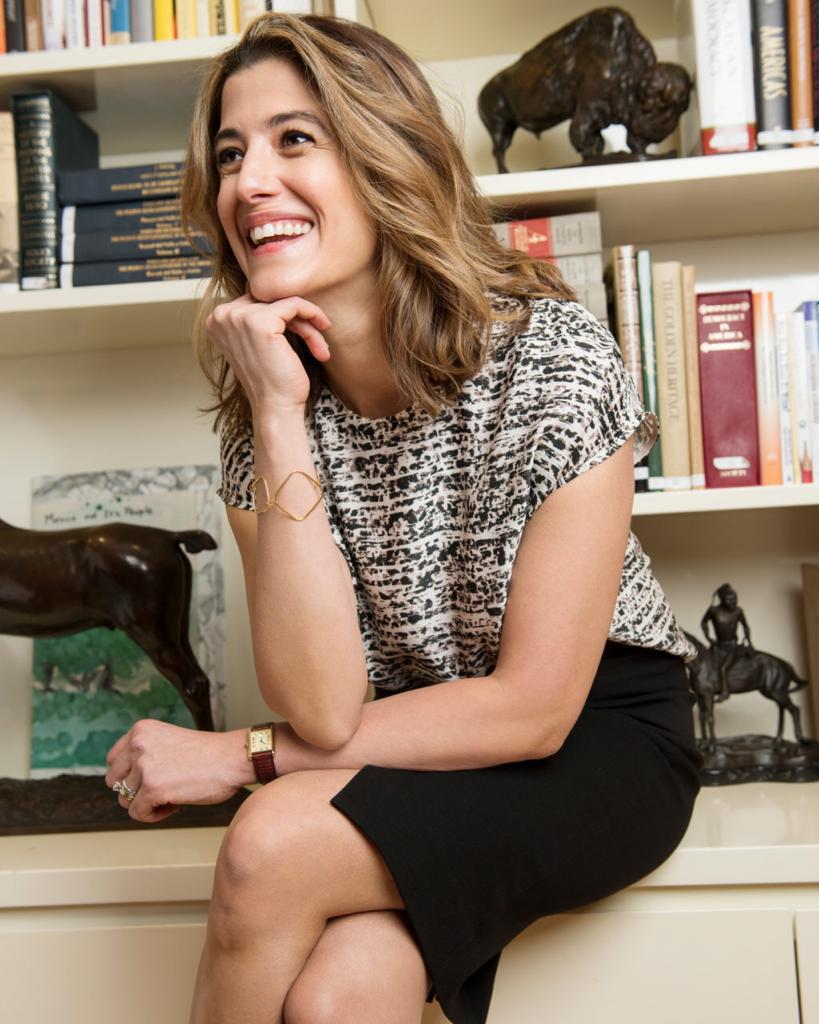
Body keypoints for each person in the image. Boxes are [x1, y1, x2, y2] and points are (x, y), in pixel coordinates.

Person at [104, 13, 703, 1024]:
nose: (250, 183)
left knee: (266, 843)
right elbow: (326, 709)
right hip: (401, 739)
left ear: (385, 156)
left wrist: (239, 755)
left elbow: (532, 710)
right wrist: (280, 417)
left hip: (595, 737)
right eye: (231, 154)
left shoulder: (551, 359)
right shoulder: (262, 417)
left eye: (295, 139)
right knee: (338, 1000)